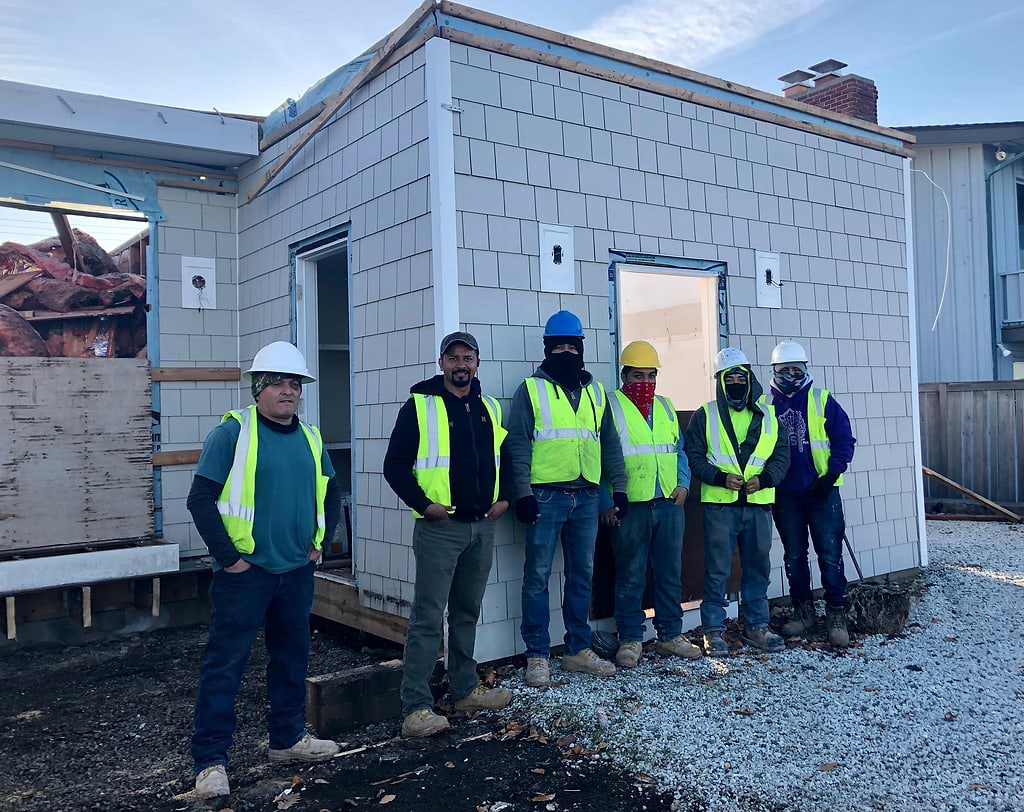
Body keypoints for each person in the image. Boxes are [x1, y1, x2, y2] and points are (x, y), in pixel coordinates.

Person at [186, 341, 343, 799]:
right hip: (246, 574)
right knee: (225, 665)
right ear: (258, 388)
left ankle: (288, 739)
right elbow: (200, 500)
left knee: (291, 657)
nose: (287, 391)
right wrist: (229, 558)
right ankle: (211, 761)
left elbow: (331, 493)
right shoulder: (233, 434)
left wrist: (320, 545)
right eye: (277, 382)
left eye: (294, 383)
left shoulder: (311, 438)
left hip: (296, 571)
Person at [383, 331, 513, 737]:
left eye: (468, 357)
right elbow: (395, 466)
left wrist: (505, 499)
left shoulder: (488, 407)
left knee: (465, 613)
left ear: (477, 363)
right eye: (453, 357)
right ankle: (415, 708)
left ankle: (464, 689)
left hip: (482, 527)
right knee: (426, 618)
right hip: (440, 528)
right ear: (442, 363)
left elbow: (506, 458)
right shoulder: (419, 406)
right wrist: (425, 506)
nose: (461, 365)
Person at [505, 310, 628, 687]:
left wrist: (617, 490)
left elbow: (609, 444)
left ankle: (576, 649)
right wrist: (522, 493)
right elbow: (517, 445)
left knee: (582, 576)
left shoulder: (596, 393)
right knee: (537, 576)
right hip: (544, 498)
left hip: (588, 498)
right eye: (557, 346)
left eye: (571, 346)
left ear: (581, 348)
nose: (565, 352)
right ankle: (538, 654)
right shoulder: (532, 390)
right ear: (547, 349)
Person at [601, 341, 701, 667]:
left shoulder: (667, 407)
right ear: (624, 376)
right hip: (631, 505)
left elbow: (678, 450)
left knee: (669, 572)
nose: (644, 383)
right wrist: (607, 500)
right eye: (637, 375)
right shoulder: (610, 407)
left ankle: (670, 635)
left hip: (669, 503)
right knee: (630, 574)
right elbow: (600, 459)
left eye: (650, 375)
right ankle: (630, 639)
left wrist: (684, 483)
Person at [685, 347, 790, 657]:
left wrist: (766, 479)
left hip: (758, 504)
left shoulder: (769, 416)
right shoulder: (706, 414)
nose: (735, 382)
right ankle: (713, 631)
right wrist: (719, 477)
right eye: (728, 377)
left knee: (758, 567)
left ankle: (757, 626)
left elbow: (781, 456)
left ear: (749, 378)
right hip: (720, 505)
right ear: (719, 381)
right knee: (717, 569)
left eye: (739, 377)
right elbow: (693, 454)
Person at [768, 341, 856, 647]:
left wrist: (831, 474)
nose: (792, 374)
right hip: (785, 496)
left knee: (830, 555)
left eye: (797, 369)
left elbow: (844, 439)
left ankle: (836, 614)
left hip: (822, 493)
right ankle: (803, 611)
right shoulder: (767, 408)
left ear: (806, 369)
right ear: (774, 371)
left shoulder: (822, 400)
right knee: (794, 556)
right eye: (785, 370)